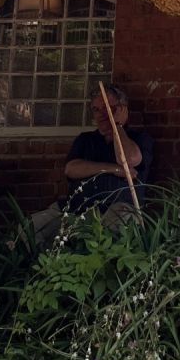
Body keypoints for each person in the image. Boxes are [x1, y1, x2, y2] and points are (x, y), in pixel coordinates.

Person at [29, 83, 147, 247]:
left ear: (121, 109)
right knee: (32, 227)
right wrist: (113, 169)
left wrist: (118, 126)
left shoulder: (138, 139)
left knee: (120, 223)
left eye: (107, 108)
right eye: (96, 109)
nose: (101, 114)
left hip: (116, 209)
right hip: (77, 210)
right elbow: (71, 169)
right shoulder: (85, 140)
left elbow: (129, 160)